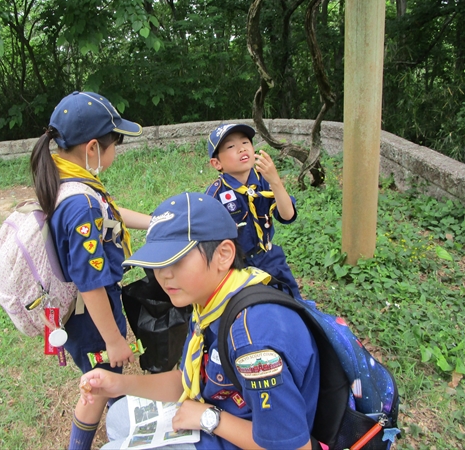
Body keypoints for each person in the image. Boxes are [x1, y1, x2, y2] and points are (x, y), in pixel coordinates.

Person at [79, 192, 320, 449]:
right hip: (210, 417)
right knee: (117, 417)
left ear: (224, 255)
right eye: (157, 263)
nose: (164, 275)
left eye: (177, 259)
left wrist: (210, 419)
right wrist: (119, 384)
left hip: (230, 432)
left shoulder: (253, 342)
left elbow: (294, 446)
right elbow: (188, 380)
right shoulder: (210, 301)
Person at [30, 91, 152, 450]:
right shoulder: (80, 204)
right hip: (91, 315)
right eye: (116, 142)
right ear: (94, 148)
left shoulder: (70, 179)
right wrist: (115, 340)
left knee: (103, 378)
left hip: (87, 313)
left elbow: (110, 214)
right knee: (100, 379)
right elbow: (89, 283)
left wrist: (156, 221)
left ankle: (117, 411)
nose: (118, 150)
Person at [205, 123, 302, 299]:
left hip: (268, 257)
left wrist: (275, 181)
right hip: (236, 267)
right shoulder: (215, 196)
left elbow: (288, 216)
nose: (241, 149)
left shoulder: (264, 181)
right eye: (231, 146)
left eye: (245, 143)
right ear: (216, 163)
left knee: (292, 302)